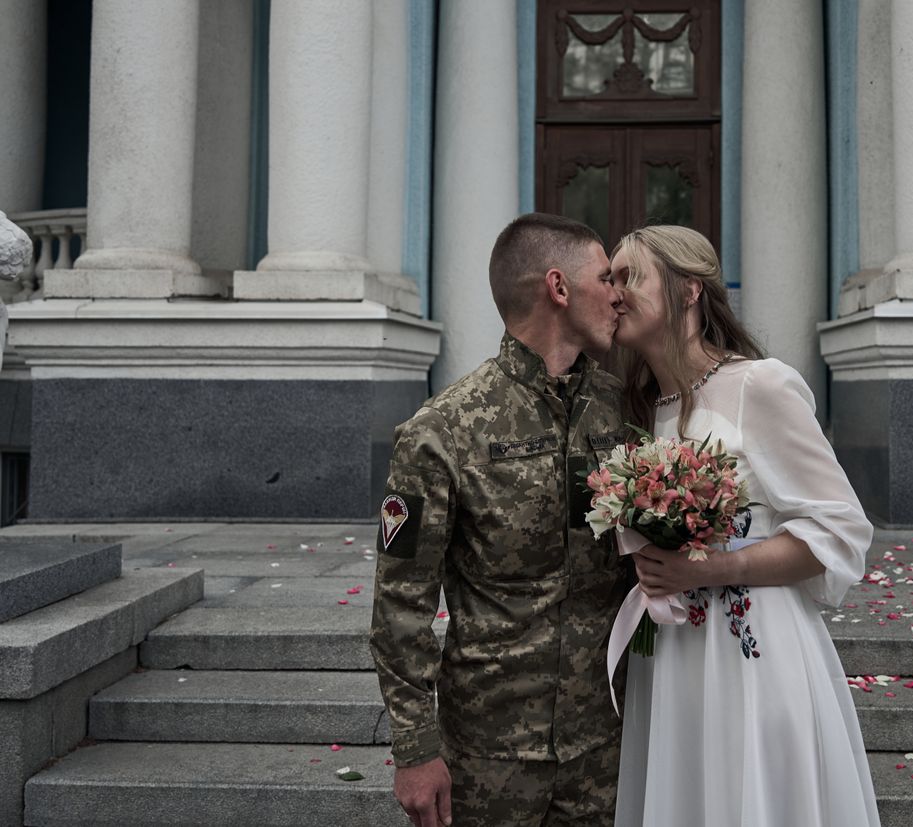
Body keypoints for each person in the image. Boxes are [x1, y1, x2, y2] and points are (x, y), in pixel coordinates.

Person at [608, 225, 881, 826]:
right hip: (673, 656)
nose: (615, 293)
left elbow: (839, 530)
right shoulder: (639, 408)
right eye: (610, 279)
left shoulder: (760, 385)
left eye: (632, 276)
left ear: (689, 291)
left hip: (751, 647)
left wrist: (711, 566)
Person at [370, 213, 631, 827]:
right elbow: (400, 604)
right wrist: (414, 749)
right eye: (605, 278)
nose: (619, 294)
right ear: (559, 288)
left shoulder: (619, 413)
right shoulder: (440, 433)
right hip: (490, 757)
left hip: (606, 746)